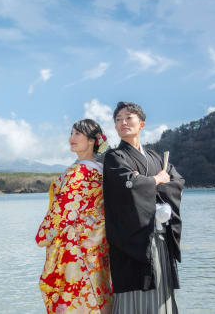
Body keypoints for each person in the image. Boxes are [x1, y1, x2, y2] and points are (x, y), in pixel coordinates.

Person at [103, 102, 184, 314]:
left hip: (159, 238)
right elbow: (126, 185)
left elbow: (176, 182)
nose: (123, 123)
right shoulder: (114, 157)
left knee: (161, 294)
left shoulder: (157, 157)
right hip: (131, 241)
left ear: (142, 124)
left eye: (128, 118)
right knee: (133, 295)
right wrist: (156, 179)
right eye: (118, 119)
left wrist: (146, 182)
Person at [36, 119, 112, 314]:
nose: (72, 138)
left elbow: (63, 211)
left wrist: (43, 234)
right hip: (98, 243)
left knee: (74, 299)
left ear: (92, 141)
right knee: (98, 293)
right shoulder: (104, 171)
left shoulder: (78, 172)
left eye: (78, 134)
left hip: (75, 247)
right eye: (71, 133)